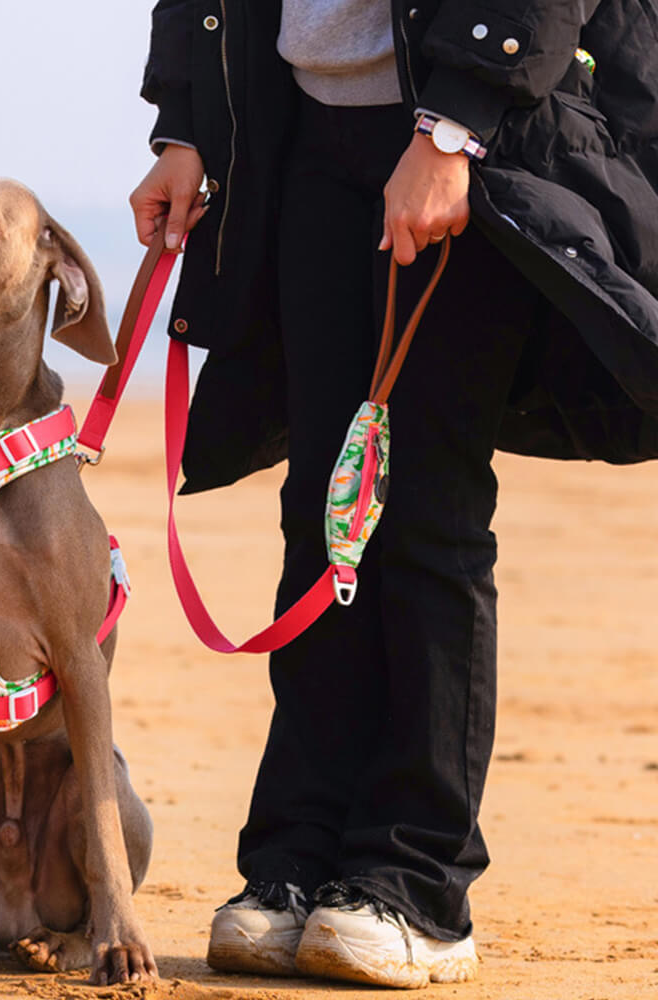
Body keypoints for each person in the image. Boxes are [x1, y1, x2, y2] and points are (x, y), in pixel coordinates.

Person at [130, 0, 658, 989]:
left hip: (463, 135)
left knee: (421, 511)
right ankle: (297, 856)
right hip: (301, 136)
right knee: (321, 512)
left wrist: (455, 125)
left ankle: (416, 882)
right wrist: (187, 126)